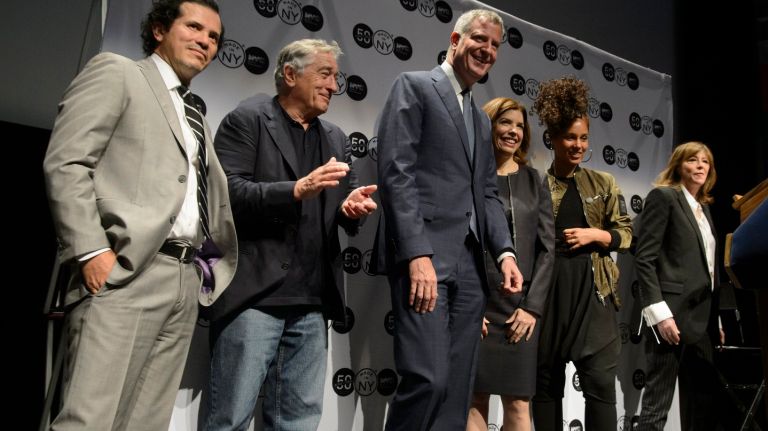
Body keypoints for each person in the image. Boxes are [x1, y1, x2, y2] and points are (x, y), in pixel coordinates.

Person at [42, 1, 236, 429]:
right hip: (126, 272)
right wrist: (92, 251)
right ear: (159, 30)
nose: (205, 41)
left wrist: (201, 271)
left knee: (145, 423)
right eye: (194, 27)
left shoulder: (196, 115)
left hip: (184, 280)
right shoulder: (118, 72)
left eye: (214, 38)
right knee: (88, 420)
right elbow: (67, 163)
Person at [202, 39, 377, 431]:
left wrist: (350, 211)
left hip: (313, 302)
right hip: (254, 297)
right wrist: (295, 190)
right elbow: (226, 193)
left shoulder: (334, 137)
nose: (334, 85)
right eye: (325, 74)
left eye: (337, 76)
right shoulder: (246, 120)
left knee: (299, 422)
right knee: (229, 419)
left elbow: (336, 209)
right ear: (290, 74)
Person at [372, 9, 524, 431]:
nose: (488, 50)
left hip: (471, 268)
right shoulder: (416, 86)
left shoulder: (478, 117)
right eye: (480, 39)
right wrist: (417, 253)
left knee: (457, 390)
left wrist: (506, 252)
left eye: (495, 46)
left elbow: (487, 195)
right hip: (426, 260)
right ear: (455, 38)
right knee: (427, 379)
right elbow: (395, 173)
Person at [530, 77, 633, 431]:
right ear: (553, 139)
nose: (577, 145)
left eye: (583, 137)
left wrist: (598, 234)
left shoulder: (603, 183)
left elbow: (627, 234)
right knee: (544, 387)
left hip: (595, 295)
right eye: (570, 137)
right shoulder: (537, 184)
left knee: (601, 387)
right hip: (548, 295)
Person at [467, 97, 555, 431]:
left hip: (521, 309)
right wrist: (469, 307)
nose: (513, 131)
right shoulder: (471, 176)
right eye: (505, 122)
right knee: (475, 399)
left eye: (520, 126)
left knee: (519, 404)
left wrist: (532, 308)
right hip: (479, 305)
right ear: (488, 125)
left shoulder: (535, 180)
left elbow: (548, 249)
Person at [635, 141, 723, 431]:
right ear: (678, 165)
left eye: (705, 162)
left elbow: (707, 267)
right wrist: (660, 315)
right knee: (657, 405)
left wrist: (716, 317)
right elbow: (645, 259)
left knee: (701, 404)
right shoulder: (665, 197)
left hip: (702, 320)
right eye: (692, 160)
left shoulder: (703, 209)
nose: (700, 166)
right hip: (670, 317)